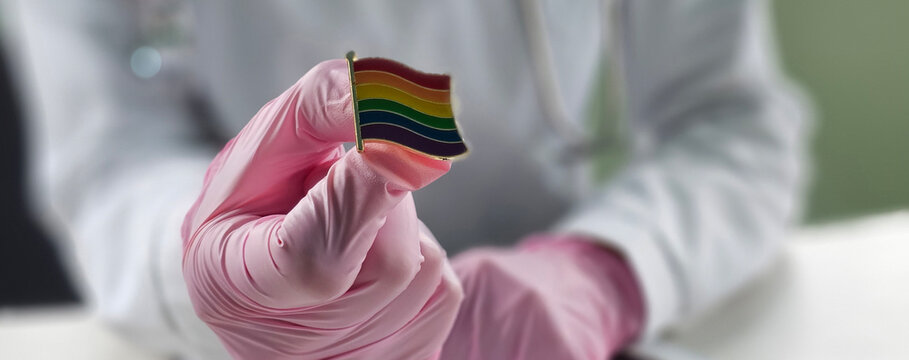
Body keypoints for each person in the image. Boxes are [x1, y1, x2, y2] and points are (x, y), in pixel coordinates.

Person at [4, 0, 810, 359]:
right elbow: (108, 156)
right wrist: (211, 263)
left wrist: (605, 270)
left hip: (543, 309)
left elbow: (729, 122)